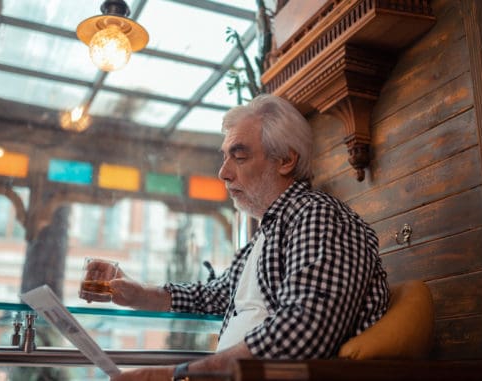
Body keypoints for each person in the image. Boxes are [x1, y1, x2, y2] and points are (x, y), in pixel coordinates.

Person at [85, 94, 390, 381]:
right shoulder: (266, 237)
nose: (223, 173)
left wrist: (183, 374)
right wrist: (138, 292)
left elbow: (304, 331)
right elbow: (211, 296)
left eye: (239, 156)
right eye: (225, 157)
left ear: (286, 160)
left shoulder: (317, 215)